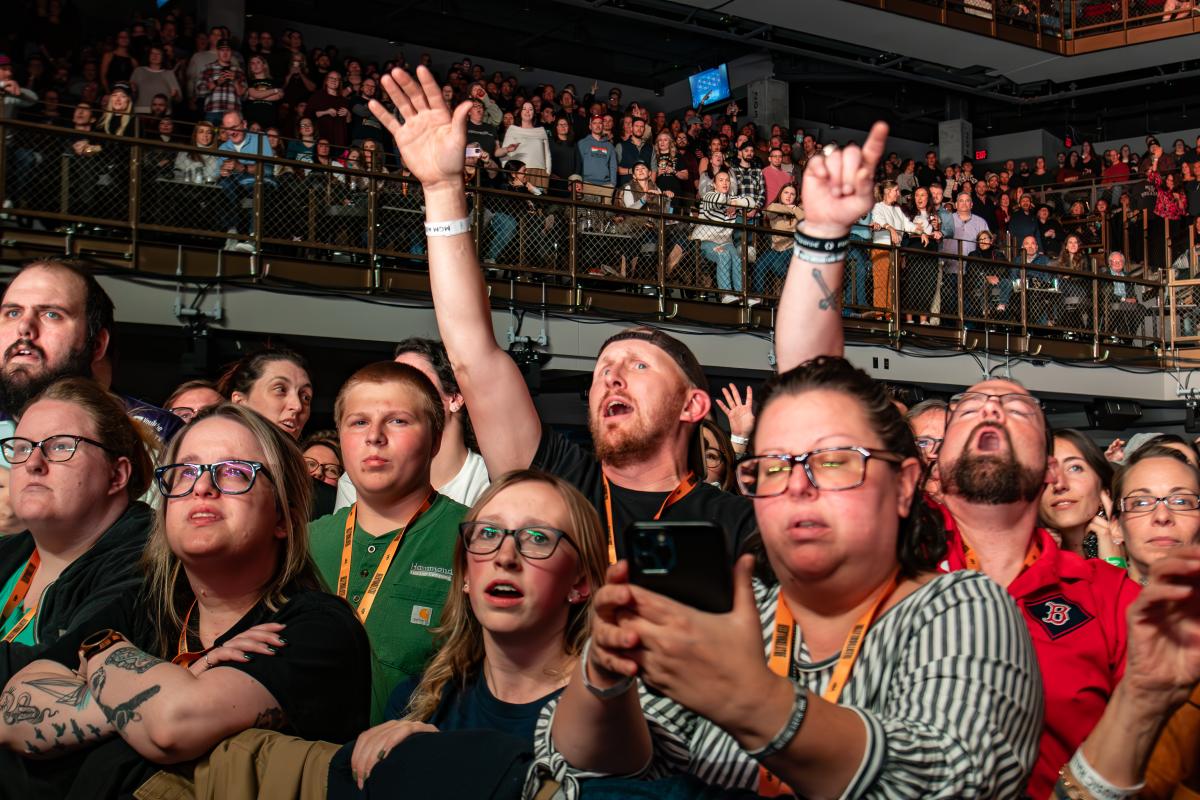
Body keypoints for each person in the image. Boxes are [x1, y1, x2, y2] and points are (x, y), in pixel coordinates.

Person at [771, 126, 1141, 800]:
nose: (994, 410)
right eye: (972, 407)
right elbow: (811, 389)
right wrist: (823, 236)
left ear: (1054, 471)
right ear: (930, 467)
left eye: (1018, 408)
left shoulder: (1108, 597)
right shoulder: (889, 544)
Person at [540, 357, 1041, 798]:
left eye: (835, 460)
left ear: (905, 485)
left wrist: (758, 704)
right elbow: (602, 764)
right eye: (775, 467)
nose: (799, 484)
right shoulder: (739, 614)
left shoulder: (960, 607)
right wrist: (604, 679)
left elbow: (958, 777)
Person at [367, 66, 755, 560]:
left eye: (637, 365)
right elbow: (473, 359)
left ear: (692, 406)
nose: (611, 377)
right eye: (602, 370)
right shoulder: (563, 482)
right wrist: (443, 191)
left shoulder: (736, 524)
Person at [0, 403, 372, 799]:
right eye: (185, 472)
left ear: (283, 516)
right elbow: (13, 710)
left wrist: (100, 652)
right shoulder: (147, 603)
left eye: (233, 472)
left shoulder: (318, 628)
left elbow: (171, 727)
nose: (202, 487)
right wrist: (179, 682)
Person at [340, 469, 608, 788]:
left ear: (580, 582)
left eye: (538, 538)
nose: (505, 556)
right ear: (466, 573)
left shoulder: (611, 713)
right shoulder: (416, 703)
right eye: (488, 534)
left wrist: (448, 759)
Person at [308, 361, 468, 723]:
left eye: (398, 420)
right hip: (302, 762)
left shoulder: (474, 536)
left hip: (413, 764)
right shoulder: (305, 544)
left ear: (436, 439)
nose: (374, 436)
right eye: (359, 421)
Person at [0, 378, 154, 686]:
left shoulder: (147, 558)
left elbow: (59, 672)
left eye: (60, 446)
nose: (33, 463)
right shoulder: (8, 550)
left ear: (117, 475)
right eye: (20, 447)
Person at [336, 338, 490, 510]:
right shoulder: (361, 477)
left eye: (414, 380)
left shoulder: (487, 481)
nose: (396, 392)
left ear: (454, 397)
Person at [216, 347, 334, 518]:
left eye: (305, 396)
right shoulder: (203, 479)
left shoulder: (325, 500)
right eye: (280, 389)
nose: (298, 405)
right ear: (240, 402)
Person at [1107, 445, 1200, 586]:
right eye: (1141, 503)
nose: (1162, 517)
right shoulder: (1083, 603)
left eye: (1181, 501)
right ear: (1116, 527)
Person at [1039, 429, 1117, 561]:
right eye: (1045, 471)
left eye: (1075, 468)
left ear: (1103, 489)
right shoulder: (1024, 565)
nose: (1059, 485)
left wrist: (1114, 561)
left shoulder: (1142, 555)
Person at [692, 170, 756, 303]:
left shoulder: (732, 199)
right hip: (705, 240)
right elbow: (719, 200)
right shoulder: (708, 196)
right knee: (724, 254)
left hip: (725, 241)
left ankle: (741, 296)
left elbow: (751, 202)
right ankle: (725, 295)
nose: (725, 183)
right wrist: (732, 202)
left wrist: (734, 204)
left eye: (727, 180)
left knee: (738, 257)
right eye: (721, 180)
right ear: (714, 184)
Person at [756, 182, 802, 295]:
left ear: (796, 197)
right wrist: (790, 209)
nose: (789, 196)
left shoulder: (798, 210)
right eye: (786, 192)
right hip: (776, 249)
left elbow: (805, 219)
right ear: (780, 194)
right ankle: (757, 297)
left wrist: (795, 208)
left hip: (791, 249)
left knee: (777, 266)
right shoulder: (775, 208)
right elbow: (771, 209)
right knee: (759, 265)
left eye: (792, 194)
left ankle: (799, 284)